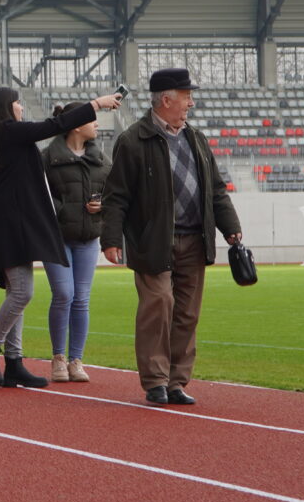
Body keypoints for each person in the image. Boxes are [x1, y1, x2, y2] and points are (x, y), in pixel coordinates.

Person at [101, 68, 242, 406]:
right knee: (158, 304)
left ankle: (177, 382)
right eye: (186, 97)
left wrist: (231, 226)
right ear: (166, 100)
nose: (190, 103)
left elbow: (216, 190)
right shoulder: (133, 140)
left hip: (196, 239)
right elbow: (116, 195)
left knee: (187, 313)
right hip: (153, 240)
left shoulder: (197, 139)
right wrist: (111, 238)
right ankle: (155, 381)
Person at [0, 89, 121, 389]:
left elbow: (49, 127)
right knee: (22, 293)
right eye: (16, 102)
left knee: (16, 293)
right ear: (5, 108)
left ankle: (14, 362)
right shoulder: (8, 130)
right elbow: (51, 128)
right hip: (8, 222)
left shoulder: (6, 134)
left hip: (15, 220)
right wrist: (95, 104)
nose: (20, 106)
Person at [41, 103, 114, 383]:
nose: (97, 125)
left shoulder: (102, 159)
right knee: (64, 294)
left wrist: (104, 204)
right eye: (92, 120)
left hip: (88, 238)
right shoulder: (47, 158)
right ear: (75, 125)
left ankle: (76, 360)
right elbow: (39, 196)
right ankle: (58, 357)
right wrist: (64, 211)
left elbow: (115, 193)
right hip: (55, 239)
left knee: (81, 300)